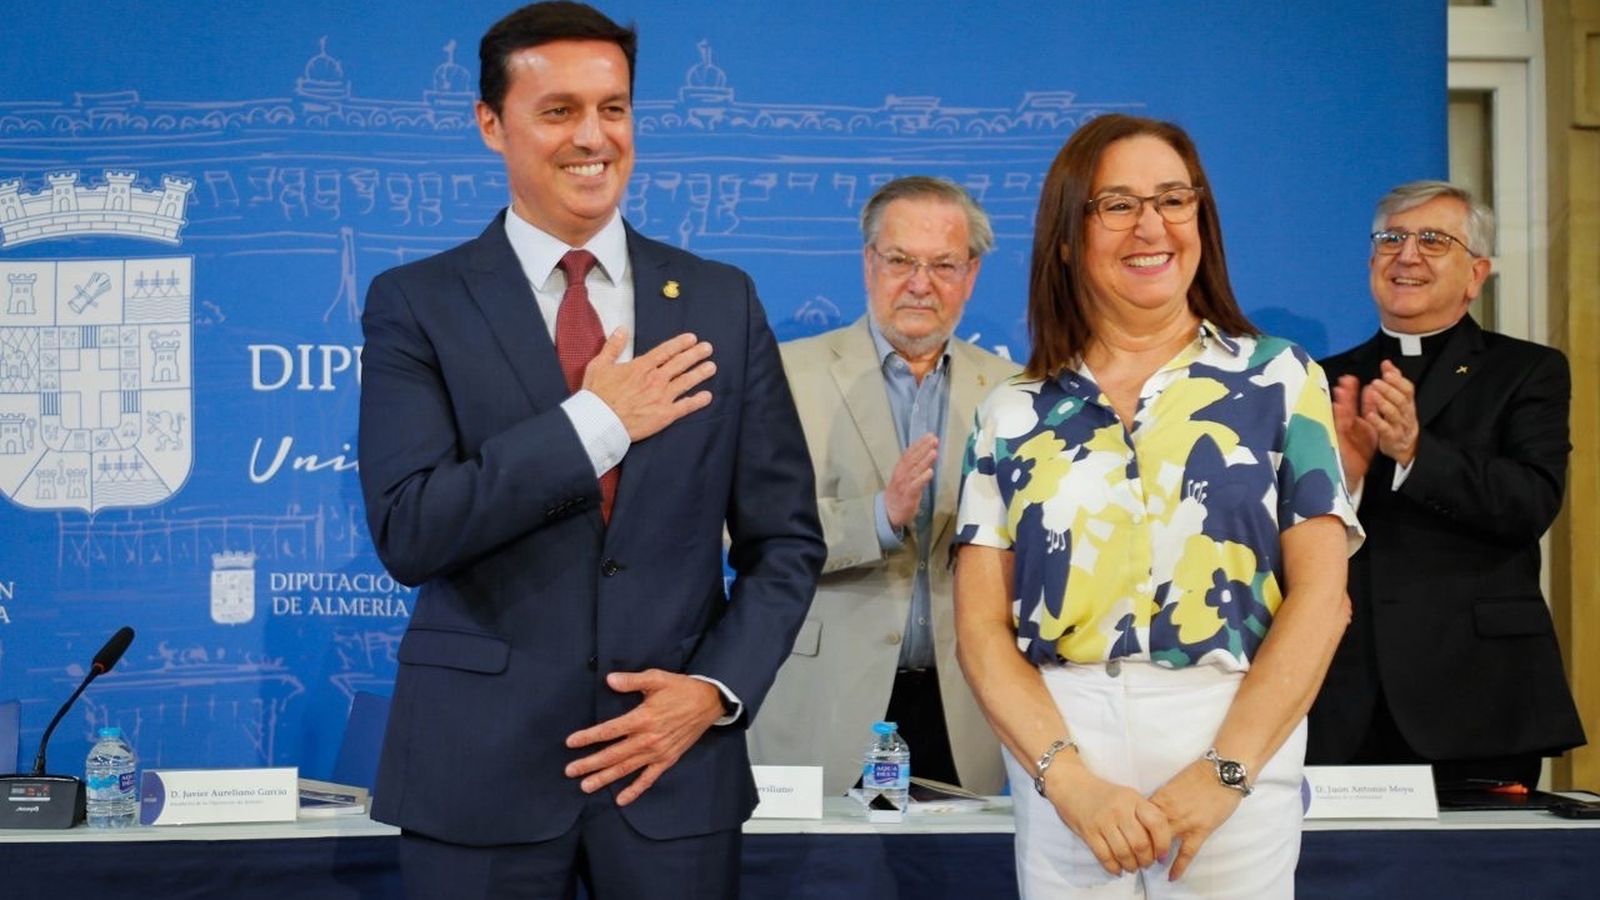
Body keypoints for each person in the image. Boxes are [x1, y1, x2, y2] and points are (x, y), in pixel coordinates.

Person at [356, 4, 825, 897]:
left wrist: (714, 691)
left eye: (614, 109)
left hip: (673, 772)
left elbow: (786, 542)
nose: (594, 137)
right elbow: (412, 528)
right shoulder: (417, 303)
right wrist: (595, 424)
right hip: (477, 776)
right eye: (560, 110)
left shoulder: (721, 301)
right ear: (491, 123)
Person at [952, 113, 1361, 897]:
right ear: (1068, 235)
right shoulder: (1011, 411)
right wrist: (1068, 782)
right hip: (1063, 745)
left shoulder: (1280, 380)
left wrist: (1224, 773)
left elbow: (1323, 595)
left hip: (1233, 731)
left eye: (1174, 200)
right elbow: (979, 627)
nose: (1153, 226)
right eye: (1119, 204)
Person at [1305, 181, 1585, 789]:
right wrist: (1346, 483)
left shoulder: (1527, 371)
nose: (1407, 255)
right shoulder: (1318, 381)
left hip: (1476, 695)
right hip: (1343, 696)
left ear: (1475, 273)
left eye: (1433, 240)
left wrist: (1414, 453)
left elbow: (1531, 501)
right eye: (1392, 239)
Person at [748, 177, 1019, 795]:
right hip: (825, 701)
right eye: (900, 261)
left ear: (971, 274)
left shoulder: (1018, 392)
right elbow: (746, 527)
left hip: (967, 706)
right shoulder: (786, 375)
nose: (920, 284)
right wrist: (877, 515)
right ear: (869, 261)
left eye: (943, 265)